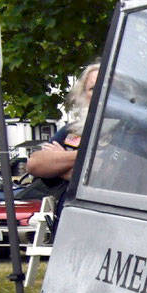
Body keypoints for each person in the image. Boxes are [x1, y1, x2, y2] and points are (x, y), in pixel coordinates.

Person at [26, 62, 100, 216]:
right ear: (83, 95)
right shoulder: (72, 130)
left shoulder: (131, 132)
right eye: (93, 88)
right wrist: (88, 156)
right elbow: (34, 164)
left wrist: (61, 163)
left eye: (105, 87)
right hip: (70, 221)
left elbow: (108, 179)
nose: (100, 93)